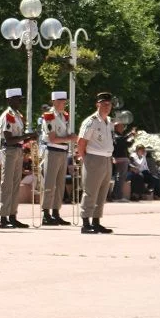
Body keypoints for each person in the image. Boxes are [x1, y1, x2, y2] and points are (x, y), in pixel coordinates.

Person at [0, 88, 36, 229]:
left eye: (20, 99)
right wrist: (27, 136)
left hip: (17, 150)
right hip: (9, 150)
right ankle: (3, 217)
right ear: (9, 100)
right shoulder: (8, 116)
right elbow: (8, 139)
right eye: (17, 99)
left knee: (15, 185)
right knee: (7, 184)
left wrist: (27, 138)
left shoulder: (18, 115)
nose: (20, 101)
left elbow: (18, 138)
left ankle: (12, 215)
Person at [77, 92, 116, 234]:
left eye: (109, 104)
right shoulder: (92, 121)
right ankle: (86, 223)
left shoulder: (109, 121)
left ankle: (96, 221)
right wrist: (85, 159)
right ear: (97, 105)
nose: (107, 107)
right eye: (104, 104)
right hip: (93, 158)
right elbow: (81, 142)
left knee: (102, 192)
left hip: (106, 159)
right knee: (90, 191)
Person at [40, 91, 76, 225]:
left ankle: (56, 212)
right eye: (61, 101)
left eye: (64, 101)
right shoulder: (49, 116)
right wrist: (69, 138)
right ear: (54, 102)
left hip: (63, 151)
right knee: (49, 183)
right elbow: (53, 138)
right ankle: (46, 213)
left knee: (60, 185)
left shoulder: (64, 116)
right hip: (53, 150)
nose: (63, 104)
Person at [112, 121, 136, 202]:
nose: (123, 127)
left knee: (121, 178)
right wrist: (130, 134)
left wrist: (132, 137)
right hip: (120, 159)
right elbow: (121, 140)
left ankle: (117, 195)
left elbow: (127, 144)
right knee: (120, 178)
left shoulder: (119, 136)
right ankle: (117, 196)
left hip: (122, 159)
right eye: (121, 126)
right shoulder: (115, 135)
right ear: (117, 127)